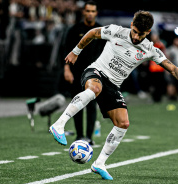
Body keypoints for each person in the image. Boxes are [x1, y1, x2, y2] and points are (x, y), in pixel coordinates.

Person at [50, 10, 178, 180]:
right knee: (94, 89)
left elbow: (171, 67)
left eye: (140, 34)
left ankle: (99, 163)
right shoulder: (116, 31)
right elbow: (93, 33)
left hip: (113, 85)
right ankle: (59, 125)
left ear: (148, 33)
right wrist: (76, 51)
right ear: (131, 26)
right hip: (95, 72)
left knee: (123, 123)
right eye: (134, 31)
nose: (135, 36)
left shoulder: (149, 49)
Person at [63, 0, 105, 145]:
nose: (90, 14)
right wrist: (67, 69)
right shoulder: (74, 29)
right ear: (83, 12)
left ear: (96, 13)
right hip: (77, 73)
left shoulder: (101, 31)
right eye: (88, 11)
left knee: (92, 106)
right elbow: (66, 50)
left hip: (94, 74)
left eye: (93, 11)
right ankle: (79, 135)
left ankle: (89, 137)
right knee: (77, 104)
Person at [148, 32, 167, 102]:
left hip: (160, 68)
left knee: (160, 85)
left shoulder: (160, 44)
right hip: (152, 69)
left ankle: (159, 98)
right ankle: (154, 98)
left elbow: (163, 50)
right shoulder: (150, 45)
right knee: (153, 85)